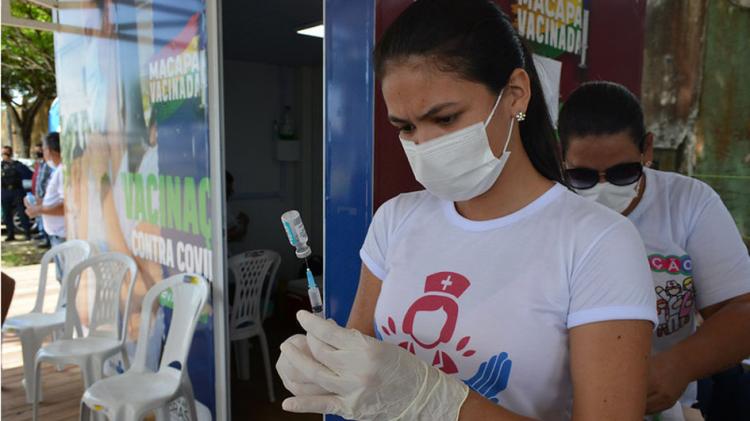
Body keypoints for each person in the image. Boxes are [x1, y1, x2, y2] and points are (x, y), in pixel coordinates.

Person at [276, 1, 657, 420]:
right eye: (405, 126)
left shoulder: (597, 243)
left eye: (444, 118)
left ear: (515, 94)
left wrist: (439, 404)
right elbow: (358, 360)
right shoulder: (396, 219)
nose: (423, 143)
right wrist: (322, 367)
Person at [558, 81, 750, 420]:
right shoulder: (547, 208)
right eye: (583, 177)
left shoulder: (688, 204)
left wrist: (678, 365)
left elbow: (742, 310)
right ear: (560, 159)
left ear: (647, 149)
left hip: (663, 406)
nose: (603, 188)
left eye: (622, 173)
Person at [26, 133, 66, 250]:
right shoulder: (58, 169)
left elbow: (66, 206)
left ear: (48, 150)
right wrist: (39, 203)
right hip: (57, 235)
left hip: (62, 235)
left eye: (43, 149)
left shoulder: (63, 171)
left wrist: (38, 209)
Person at [2, 145, 33, 241]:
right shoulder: (1, 166)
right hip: (5, 191)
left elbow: (29, 175)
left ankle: (27, 234)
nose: (4, 156)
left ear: (10, 154)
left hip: (17, 191)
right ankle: (10, 234)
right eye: (3, 153)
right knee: (7, 214)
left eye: (6, 153)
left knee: (22, 213)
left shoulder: (17, 165)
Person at [28, 142, 53, 247]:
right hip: (39, 196)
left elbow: (46, 182)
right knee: (41, 219)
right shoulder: (41, 164)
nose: (37, 152)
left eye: (40, 150)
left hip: (44, 198)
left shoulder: (49, 164)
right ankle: (45, 237)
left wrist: (41, 196)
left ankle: (47, 240)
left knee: (45, 219)